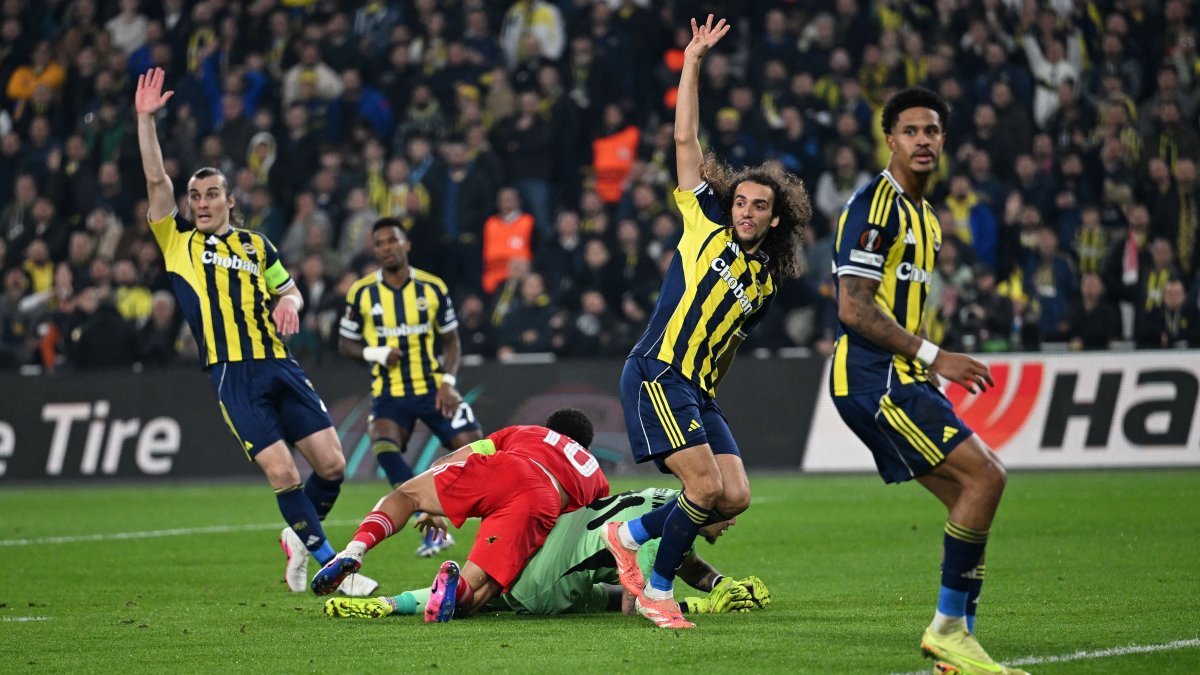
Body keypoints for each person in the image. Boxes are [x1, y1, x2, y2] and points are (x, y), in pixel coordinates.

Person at [133, 68, 375, 597]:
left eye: (210, 194)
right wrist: (145, 122)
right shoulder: (177, 244)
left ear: (229, 200)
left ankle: (298, 539)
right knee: (283, 473)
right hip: (233, 374)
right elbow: (156, 182)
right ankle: (333, 566)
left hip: (279, 364)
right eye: (194, 195)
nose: (200, 203)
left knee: (333, 466)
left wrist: (290, 303)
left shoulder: (256, 246)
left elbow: (290, 290)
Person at [603, 15, 810, 630]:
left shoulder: (767, 282)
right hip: (658, 372)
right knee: (704, 489)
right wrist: (691, 62)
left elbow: (727, 346)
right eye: (741, 201)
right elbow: (685, 142)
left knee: (734, 496)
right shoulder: (704, 224)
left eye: (759, 206)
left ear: (775, 220)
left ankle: (630, 530)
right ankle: (658, 591)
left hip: (697, 389)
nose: (746, 211)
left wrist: (706, 398)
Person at [828, 86, 1026, 675]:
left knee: (975, 495)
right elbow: (854, 308)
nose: (923, 140)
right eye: (911, 131)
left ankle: (957, 639)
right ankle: (949, 632)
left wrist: (926, 367)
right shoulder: (874, 206)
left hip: (902, 376)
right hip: (872, 379)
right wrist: (937, 357)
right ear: (890, 139)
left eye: (932, 131)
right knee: (986, 477)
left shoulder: (928, 219)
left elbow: (897, 307)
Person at [309, 408, 609, 626]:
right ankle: (453, 583)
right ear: (586, 446)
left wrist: (431, 506)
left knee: (405, 495)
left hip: (507, 467)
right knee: (477, 595)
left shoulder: (528, 431)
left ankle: (355, 549)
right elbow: (581, 532)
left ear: (550, 427)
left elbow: (450, 460)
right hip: (543, 499)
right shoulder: (595, 473)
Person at [323, 488, 771, 620]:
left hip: (534, 555)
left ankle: (385, 605)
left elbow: (683, 557)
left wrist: (719, 580)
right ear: (705, 507)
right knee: (617, 598)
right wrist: (707, 603)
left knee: (477, 594)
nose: (732, 521)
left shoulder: (661, 503)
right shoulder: (663, 534)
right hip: (554, 588)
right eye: (729, 512)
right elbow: (639, 607)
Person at [339, 217, 483, 557]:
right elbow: (345, 343)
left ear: (407, 245)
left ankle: (497, 524)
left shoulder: (432, 288)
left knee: (477, 451)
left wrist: (448, 382)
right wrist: (375, 352)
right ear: (374, 250)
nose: (387, 247)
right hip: (390, 393)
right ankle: (427, 518)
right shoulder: (361, 292)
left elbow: (452, 342)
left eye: (393, 241)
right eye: (380, 243)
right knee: (383, 446)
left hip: (433, 388)